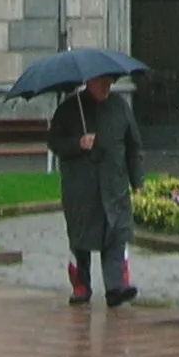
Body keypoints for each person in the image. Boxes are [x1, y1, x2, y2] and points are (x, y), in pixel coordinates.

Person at [48, 74, 143, 307]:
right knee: (81, 238)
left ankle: (115, 287)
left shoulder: (120, 107)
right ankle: (81, 285)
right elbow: (54, 141)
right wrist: (78, 143)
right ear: (89, 83)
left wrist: (137, 181)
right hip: (81, 188)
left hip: (114, 184)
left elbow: (133, 146)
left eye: (109, 83)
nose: (106, 87)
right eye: (101, 83)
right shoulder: (70, 108)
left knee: (116, 234)